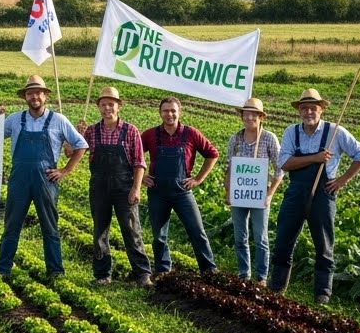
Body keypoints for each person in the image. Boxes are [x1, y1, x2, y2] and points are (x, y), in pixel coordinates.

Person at [268, 88, 360, 305]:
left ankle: (322, 294)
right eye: (304, 108)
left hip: (323, 195)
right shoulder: (291, 132)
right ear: (299, 111)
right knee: (284, 240)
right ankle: (276, 288)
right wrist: (316, 158)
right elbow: (283, 163)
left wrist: (342, 180)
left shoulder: (335, 132)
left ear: (321, 110)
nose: (308, 112)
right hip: (296, 192)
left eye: (313, 108)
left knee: (324, 246)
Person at [0, 75, 86, 278]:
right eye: (30, 93)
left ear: (45, 96)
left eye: (38, 93)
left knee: (50, 227)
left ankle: (55, 270)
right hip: (19, 180)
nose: (34, 96)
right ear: (25, 97)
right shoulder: (15, 119)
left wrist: (65, 170)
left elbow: (81, 145)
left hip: (46, 181)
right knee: (11, 226)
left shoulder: (58, 120)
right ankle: (2, 268)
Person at [79, 87, 152, 286]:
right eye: (103, 104)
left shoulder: (130, 130)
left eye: (111, 104)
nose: (107, 108)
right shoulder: (92, 131)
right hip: (99, 187)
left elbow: (139, 163)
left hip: (124, 187)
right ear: (98, 107)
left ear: (119, 106)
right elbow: (72, 153)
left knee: (131, 230)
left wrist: (136, 188)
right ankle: (103, 275)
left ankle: (142, 274)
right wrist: (77, 135)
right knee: (100, 231)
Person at [142, 96, 219, 276]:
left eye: (173, 111)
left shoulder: (191, 133)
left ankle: (209, 269)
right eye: (165, 111)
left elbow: (212, 154)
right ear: (160, 113)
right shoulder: (150, 135)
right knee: (159, 236)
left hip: (182, 191)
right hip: (157, 191)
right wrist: (141, 176)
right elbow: (132, 153)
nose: (169, 114)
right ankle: (162, 270)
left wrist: (198, 179)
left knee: (196, 230)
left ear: (179, 112)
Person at [223, 98, 282, 282]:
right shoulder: (236, 139)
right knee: (240, 236)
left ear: (260, 117)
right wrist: (228, 192)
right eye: (245, 114)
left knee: (260, 238)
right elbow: (229, 167)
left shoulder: (269, 138)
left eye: (253, 114)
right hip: (239, 195)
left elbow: (280, 168)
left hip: (259, 196)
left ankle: (262, 277)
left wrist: (269, 194)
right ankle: (244, 274)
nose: (249, 117)